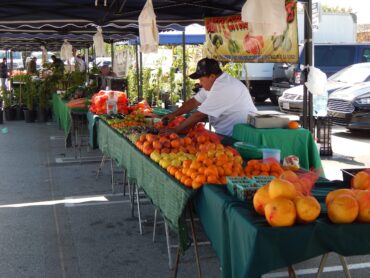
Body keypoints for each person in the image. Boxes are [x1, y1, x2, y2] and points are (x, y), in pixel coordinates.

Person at [161, 58, 257, 136]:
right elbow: (194, 101)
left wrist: (175, 130)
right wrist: (174, 114)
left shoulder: (223, 87)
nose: (200, 83)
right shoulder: (215, 83)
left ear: (212, 77)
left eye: (202, 80)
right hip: (227, 133)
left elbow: (199, 115)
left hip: (238, 137)